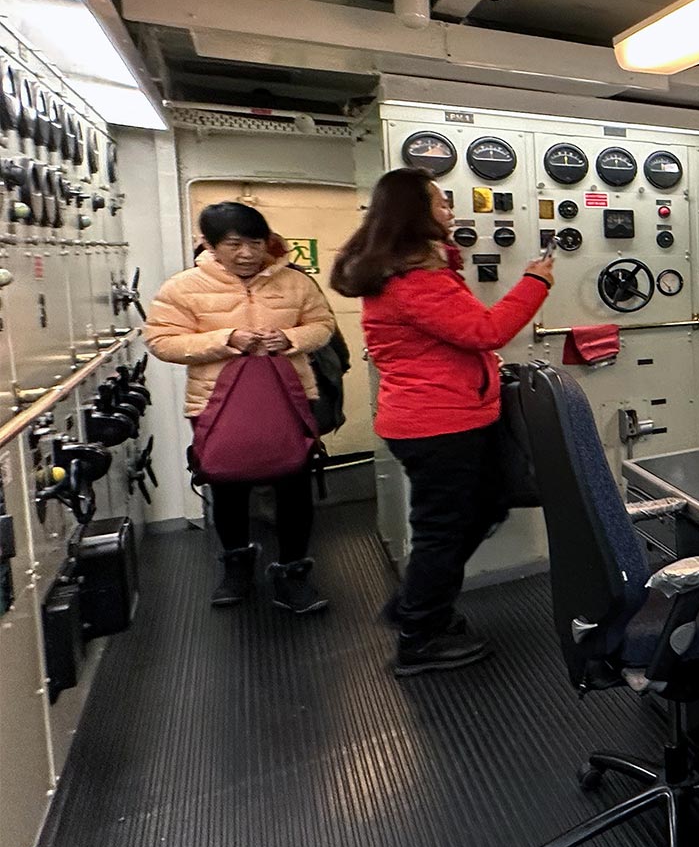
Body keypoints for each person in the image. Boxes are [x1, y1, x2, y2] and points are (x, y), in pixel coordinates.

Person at [330, 168, 553, 678]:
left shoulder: (412, 272)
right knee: (443, 532)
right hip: (438, 424)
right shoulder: (414, 281)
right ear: (416, 213)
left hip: (445, 417)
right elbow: (486, 329)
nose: (450, 211)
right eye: (440, 203)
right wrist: (535, 282)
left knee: (484, 506)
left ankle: (418, 603)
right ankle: (419, 636)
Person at [147, 202, 338, 614]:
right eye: (235, 244)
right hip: (216, 404)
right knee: (227, 486)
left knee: (294, 487)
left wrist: (289, 339)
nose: (248, 253)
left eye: (256, 242)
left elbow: (323, 326)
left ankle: (293, 572)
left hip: (290, 399)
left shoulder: (296, 283)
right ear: (211, 246)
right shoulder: (183, 287)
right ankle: (236, 566)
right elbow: (162, 340)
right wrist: (225, 339)